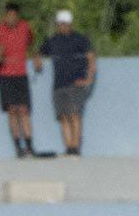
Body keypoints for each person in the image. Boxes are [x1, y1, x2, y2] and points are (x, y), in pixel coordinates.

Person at [35, 10, 96, 157]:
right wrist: (36, 59)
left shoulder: (80, 39)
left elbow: (91, 57)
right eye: (60, 24)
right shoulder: (53, 40)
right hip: (58, 85)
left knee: (75, 115)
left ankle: (75, 147)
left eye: (65, 24)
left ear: (70, 24)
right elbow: (39, 51)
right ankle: (68, 148)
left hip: (75, 83)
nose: (63, 26)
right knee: (63, 116)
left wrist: (89, 79)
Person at [0, 2, 36, 158]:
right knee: (12, 111)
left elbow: (31, 44)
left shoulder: (25, 27)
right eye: (9, 15)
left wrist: (36, 56)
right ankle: (18, 148)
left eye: (15, 16)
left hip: (21, 74)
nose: (12, 19)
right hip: (4, 75)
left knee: (24, 110)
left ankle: (29, 146)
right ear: (4, 16)